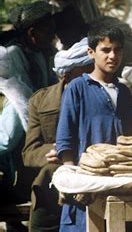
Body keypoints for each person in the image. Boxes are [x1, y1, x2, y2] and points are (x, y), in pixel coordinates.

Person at [55, 24, 132, 231]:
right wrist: (73, 180)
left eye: (117, 50)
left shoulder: (124, 92)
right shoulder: (78, 88)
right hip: (86, 181)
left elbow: (129, 139)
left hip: (116, 180)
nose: (112, 56)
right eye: (105, 50)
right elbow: (65, 139)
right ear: (91, 53)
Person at [22, 38, 94, 232]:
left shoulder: (101, 95)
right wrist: (57, 151)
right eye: (86, 70)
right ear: (68, 74)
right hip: (52, 187)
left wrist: (72, 153)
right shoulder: (41, 101)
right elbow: (30, 152)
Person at [0, 1, 57, 205]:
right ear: (32, 33)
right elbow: (19, 95)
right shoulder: (12, 54)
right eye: (48, 31)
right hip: (14, 102)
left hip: (33, 105)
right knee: (7, 137)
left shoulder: (43, 52)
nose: (53, 35)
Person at [53, 4, 132, 74]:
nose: (62, 41)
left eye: (63, 35)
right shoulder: (97, 35)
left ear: (73, 28)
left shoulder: (98, 42)